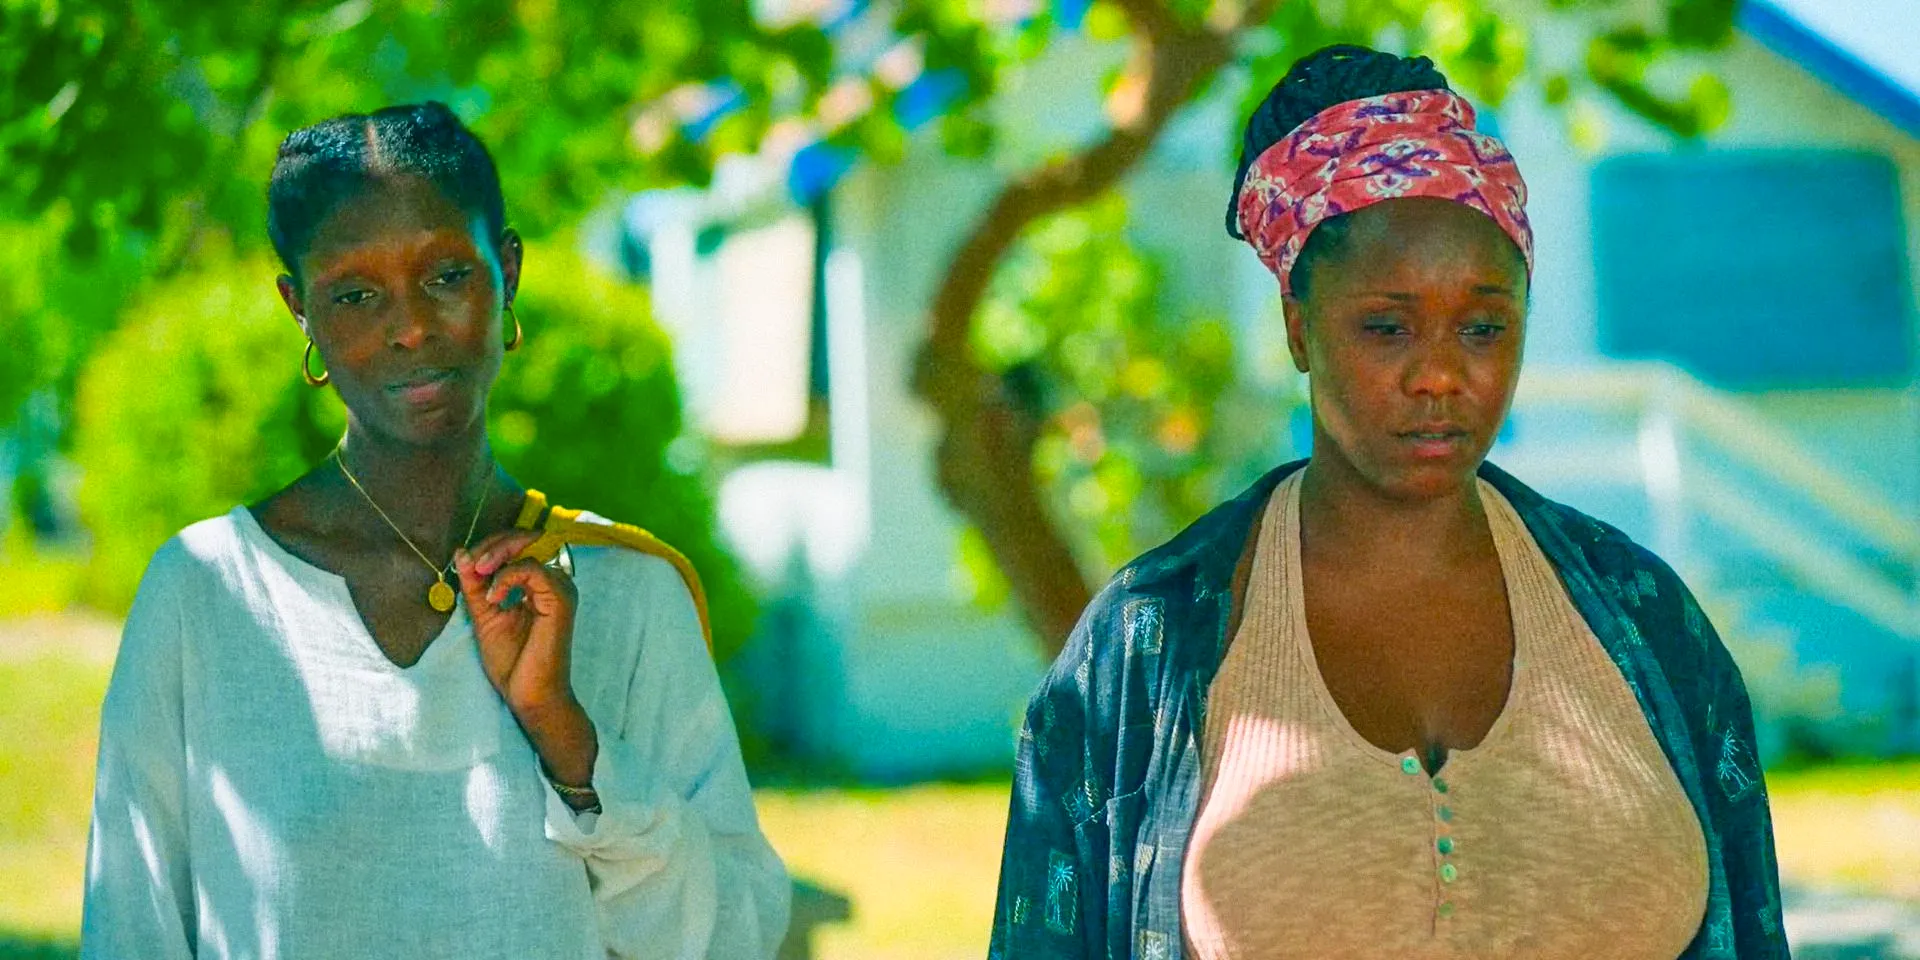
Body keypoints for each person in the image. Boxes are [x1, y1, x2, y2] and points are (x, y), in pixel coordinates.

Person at [988, 45, 1787, 959]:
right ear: (1299, 326)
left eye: (1484, 327)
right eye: (1386, 327)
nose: (1441, 374)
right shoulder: (1152, 642)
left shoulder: (1645, 623)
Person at [80, 102, 791, 959]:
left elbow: (732, 940)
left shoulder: (627, 592)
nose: (411, 326)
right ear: (299, 309)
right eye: (354, 294)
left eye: (448, 275)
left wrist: (565, 735)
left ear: (509, 272)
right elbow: (132, 928)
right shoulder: (207, 595)